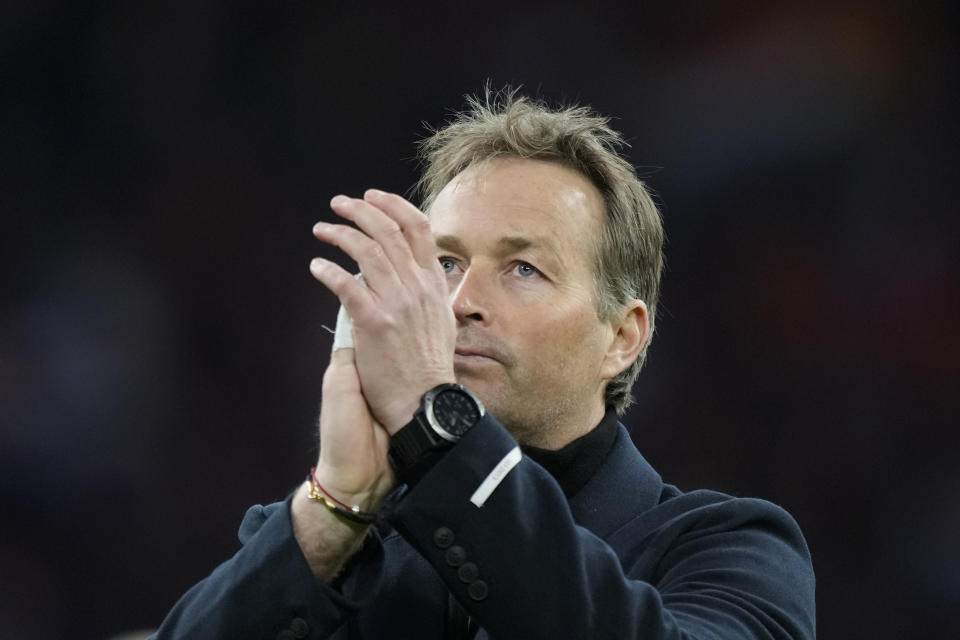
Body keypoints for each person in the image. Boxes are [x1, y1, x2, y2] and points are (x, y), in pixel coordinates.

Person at [152, 90, 816, 639]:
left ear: (622, 337)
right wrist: (335, 510)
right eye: (445, 264)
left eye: (523, 269)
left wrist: (439, 427)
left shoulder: (731, 551)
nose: (462, 301)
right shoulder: (329, 545)